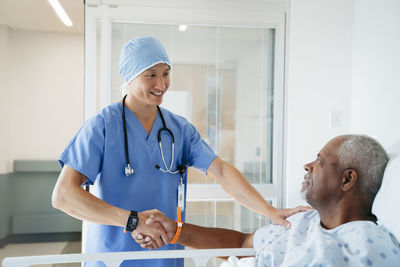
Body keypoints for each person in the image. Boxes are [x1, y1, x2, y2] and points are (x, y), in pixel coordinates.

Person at [51, 36, 306, 267]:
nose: (161, 83)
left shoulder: (179, 129)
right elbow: (63, 195)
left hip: (165, 256)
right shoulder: (102, 126)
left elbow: (222, 171)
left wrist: (269, 211)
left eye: (166, 73)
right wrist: (133, 220)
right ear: (130, 76)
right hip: (112, 258)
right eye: (150, 75)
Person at [139, 135, 400, 266]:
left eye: (319, 161)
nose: (307, 166)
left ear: (347, 180)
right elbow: (242, 244)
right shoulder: (302, 220)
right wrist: (176, 231)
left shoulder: (368, 246)